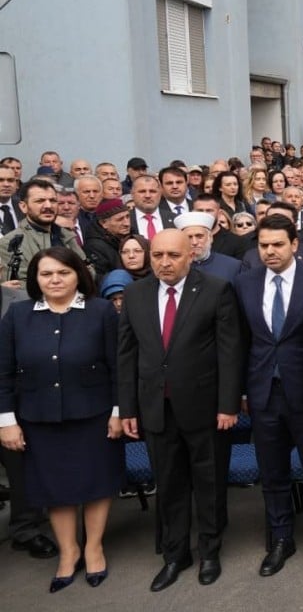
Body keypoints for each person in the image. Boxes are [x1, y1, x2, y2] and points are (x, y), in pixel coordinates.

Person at [117, 229, 245, 592]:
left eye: (173, 255)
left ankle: (209, 549)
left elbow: (229, 352)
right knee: (169, 482)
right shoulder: (135, 294)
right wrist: (127, 407)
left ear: (191, 254)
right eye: (157, 256)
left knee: (210, 480)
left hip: (205, 408)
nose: (164, 263)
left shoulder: (216, 290)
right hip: (156, 407)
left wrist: (227, 404)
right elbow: (126, 354)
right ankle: (175, 554)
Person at [0, 249, 122, 593]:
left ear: (77, 275)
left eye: (63, 273)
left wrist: (117, 412)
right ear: (35, 279)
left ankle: (94, 547)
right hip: (39, 418)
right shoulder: (17, 314)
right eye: (46, 274)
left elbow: (118, 367)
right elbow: (4, 372)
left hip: (94, 414)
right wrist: (6, 420)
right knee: (56, 488)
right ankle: (68, 552)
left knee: (97, 481)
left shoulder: (100, 312)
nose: (54, 280)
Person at [231, 215, 303, 578]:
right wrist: (242, 390)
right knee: (272, 473)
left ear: (295, 245)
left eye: (277, 244)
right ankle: (280, 539)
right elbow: (240, 342)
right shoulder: (244, 284)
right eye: (263, 245)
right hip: (263, 394)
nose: (270, 252)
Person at [0, 178, 89, 284]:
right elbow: (18, 286)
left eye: (53, 200)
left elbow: (88, 273)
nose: (48, 206)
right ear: (23, 206)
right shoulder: (11, 242)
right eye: (40, 201)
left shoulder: (66, 235)